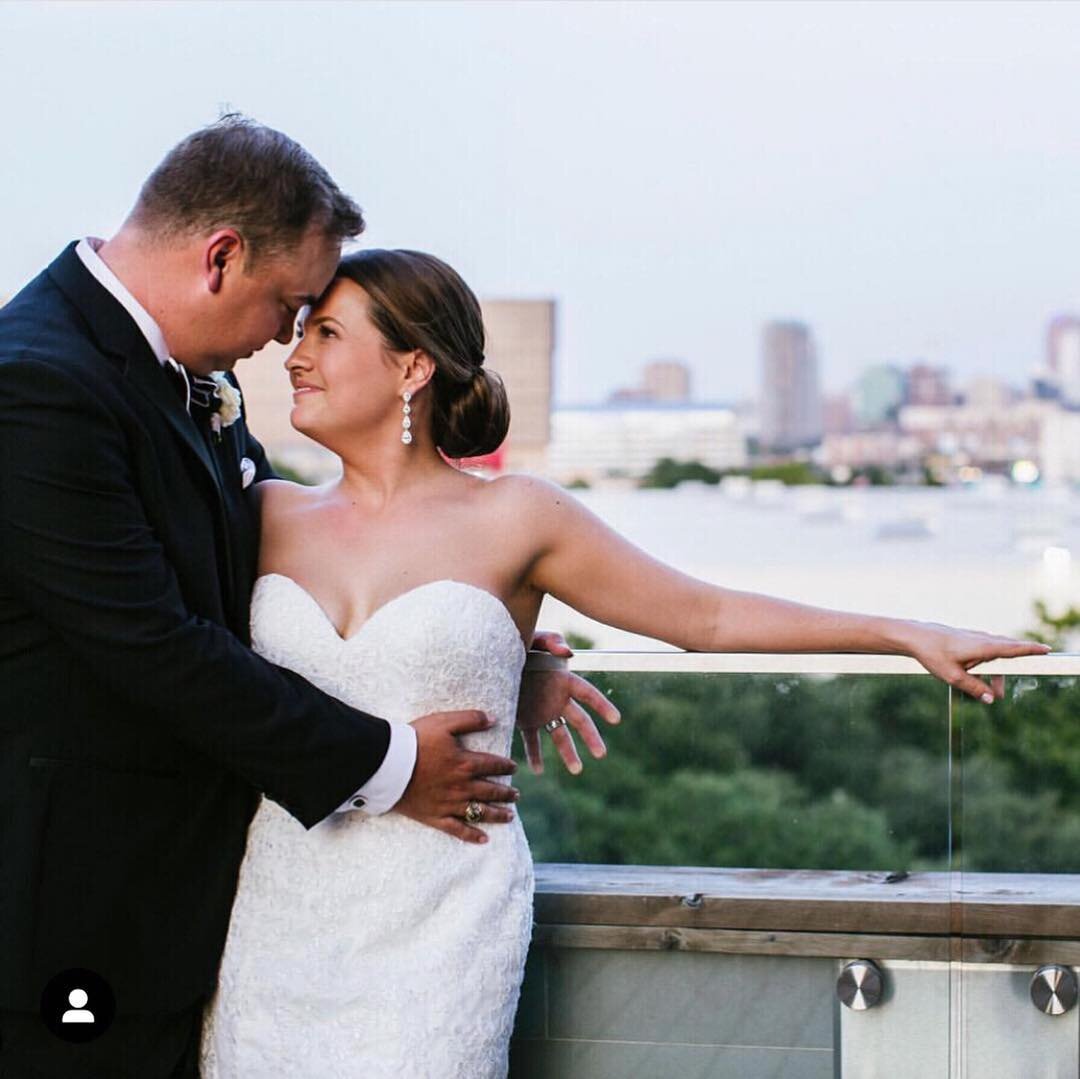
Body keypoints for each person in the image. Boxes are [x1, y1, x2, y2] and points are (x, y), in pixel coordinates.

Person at [200, 247, 1050, 1077]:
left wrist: (904, 632)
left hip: (437, 915)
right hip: (280, 915)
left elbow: (705, 615)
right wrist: (519, 662)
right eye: (302, 330)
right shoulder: (263, 510)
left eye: (327, 334)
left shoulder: (518, 516)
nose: (295, 353)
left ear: (411, 366)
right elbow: (182, 656)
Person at [0, 118, 611, 1078]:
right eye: (290, 305)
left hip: (190, 925)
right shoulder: (36, 381)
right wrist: (392, 760)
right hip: (58, 923)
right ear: (220, 258)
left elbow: (240, 575)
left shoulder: (167, 380)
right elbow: (152, 641)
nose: (284, 340)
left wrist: (495, 646)